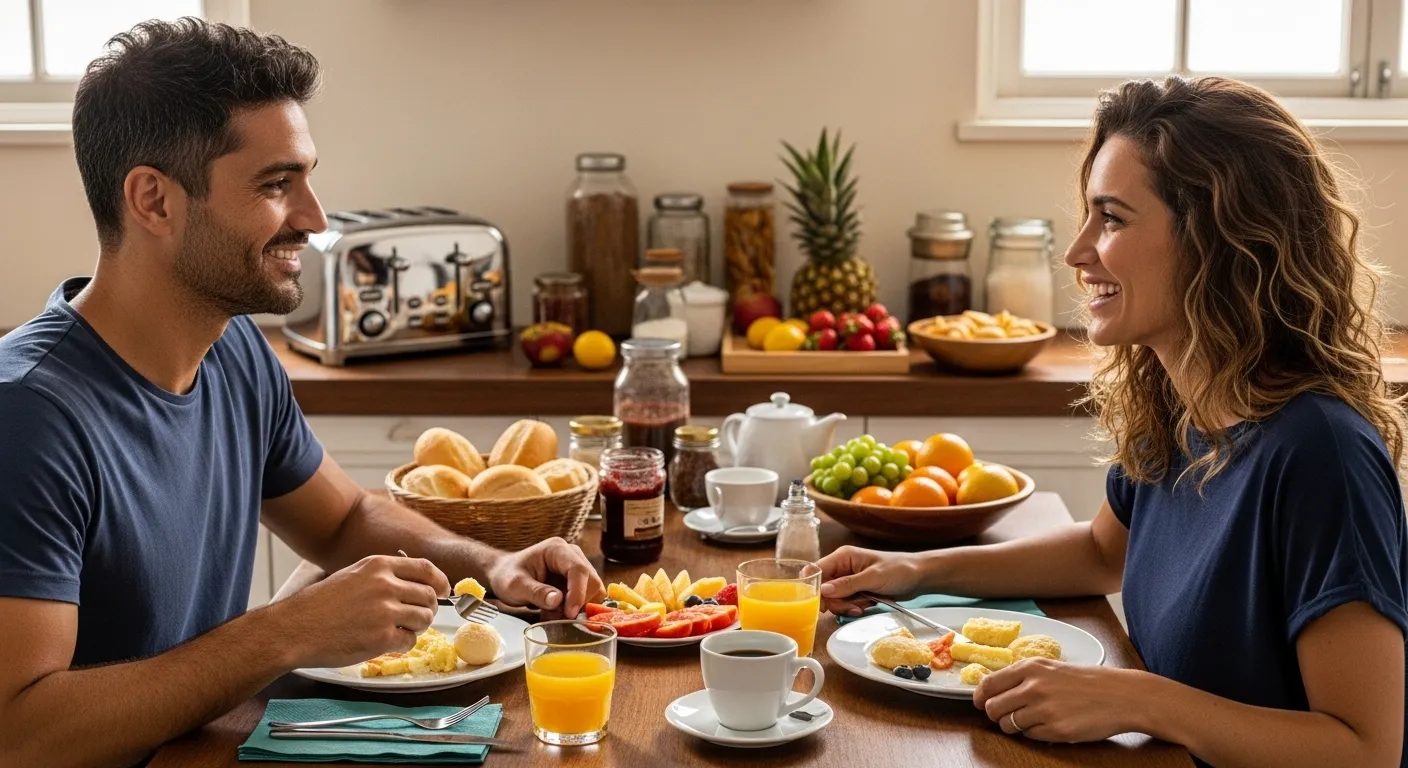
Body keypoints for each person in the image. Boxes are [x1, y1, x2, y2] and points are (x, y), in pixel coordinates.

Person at [0, 19, 604, 768]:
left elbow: (342, 519)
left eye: (308, 177)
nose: (316, 219)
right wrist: (286, 631)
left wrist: (493, 567)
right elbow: (18, 733)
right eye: (277, 184)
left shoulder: (234, 349)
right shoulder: (27, 417)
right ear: (153, 200)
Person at [820, 76, 1406, 768]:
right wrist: (917, 570)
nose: (1077, 252)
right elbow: (1102, 553)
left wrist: (1138, 700)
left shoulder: (1319, 455)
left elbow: (1365, 749)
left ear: (1217, 241)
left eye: (1113, 218)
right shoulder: (1182, 402)